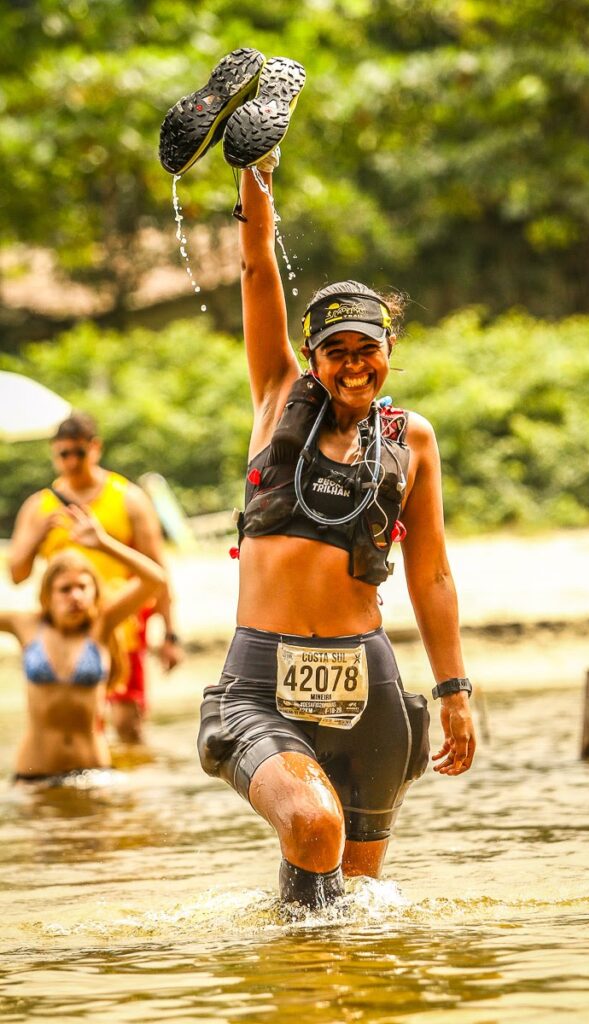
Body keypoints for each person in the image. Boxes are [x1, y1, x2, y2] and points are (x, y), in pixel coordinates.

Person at [170, 50, 476, 911]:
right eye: (334, 352)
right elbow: (259, 270)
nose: (350, 366)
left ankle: (315, 998)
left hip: (367, 685)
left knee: (349, 917)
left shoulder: (410, 439)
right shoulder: (275, 396)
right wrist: (258, 171)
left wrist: (452, 694)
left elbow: (433, 574)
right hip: (262, 676)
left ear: (387, 356)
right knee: (312, 827)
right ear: (312, 357)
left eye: (365, 352)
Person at [8, 412, 183, 745]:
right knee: (81, 721)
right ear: (53, 454)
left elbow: (157, 569)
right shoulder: (39, 506)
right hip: (65, 625)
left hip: (121, 620)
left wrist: (171, 634)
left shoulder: (128, 497)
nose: (71, 462)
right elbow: (16, 574)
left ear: (95, 448)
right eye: (63, 454)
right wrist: (38, 535)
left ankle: (130, 791)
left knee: (127, 723)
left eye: (79, 452)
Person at [0, 505, 166, 784]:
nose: (75, 596)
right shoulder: (26, 624)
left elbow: (155, 579)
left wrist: (104, 544)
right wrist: (32, 540)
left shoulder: (101, 626)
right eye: (65, 589)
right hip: (34, 774)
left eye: (82, 587)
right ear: (48, 595)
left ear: (94, 592)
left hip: (94, 774)